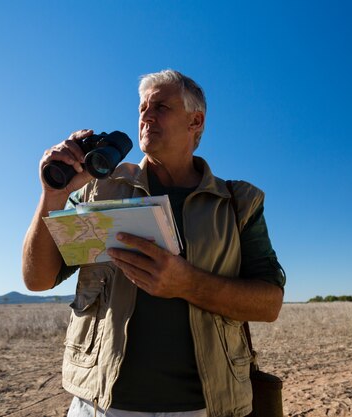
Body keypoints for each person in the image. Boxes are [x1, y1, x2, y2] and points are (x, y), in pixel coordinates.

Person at [22, 69, 285, 417]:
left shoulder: (237, 203)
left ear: (196, 121)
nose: (146, 114)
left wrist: (187, 284)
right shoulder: (100, 190)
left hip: (205, 407)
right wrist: (53, 195)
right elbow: (38, 279)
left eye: (161, 106)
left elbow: (268, 304)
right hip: (101, 405)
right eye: (143, 107)